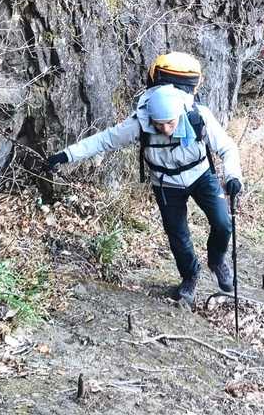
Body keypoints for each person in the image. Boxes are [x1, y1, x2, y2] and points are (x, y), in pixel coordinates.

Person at [47, 84, 243, 306]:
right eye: (159, 124)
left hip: (201, 175)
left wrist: (233, 176)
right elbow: (104, 140)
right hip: (165, 183)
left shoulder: (198, 116)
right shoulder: (139, 123)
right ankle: (190, 276)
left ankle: (216, 260)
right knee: (177, 234)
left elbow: (227, 147)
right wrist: (66, 155)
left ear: (179, 114)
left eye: (170, 123)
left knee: (223, 223)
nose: (165, 129)